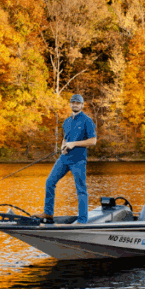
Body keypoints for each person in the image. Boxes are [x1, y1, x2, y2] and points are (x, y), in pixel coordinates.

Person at [36, 94, 97, 224]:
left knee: (81, 189)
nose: (75, 104)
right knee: (50, 181)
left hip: (78, 160)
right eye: (73, 102)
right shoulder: (67, 122)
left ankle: (82, 220)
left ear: (82, 105)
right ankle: (48, 213)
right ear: (70, 104)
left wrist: (74, 143)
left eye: (77, 102)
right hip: (64, 159)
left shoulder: (87, 121)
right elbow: (65, 137)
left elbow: (93, 141)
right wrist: (64, 146)